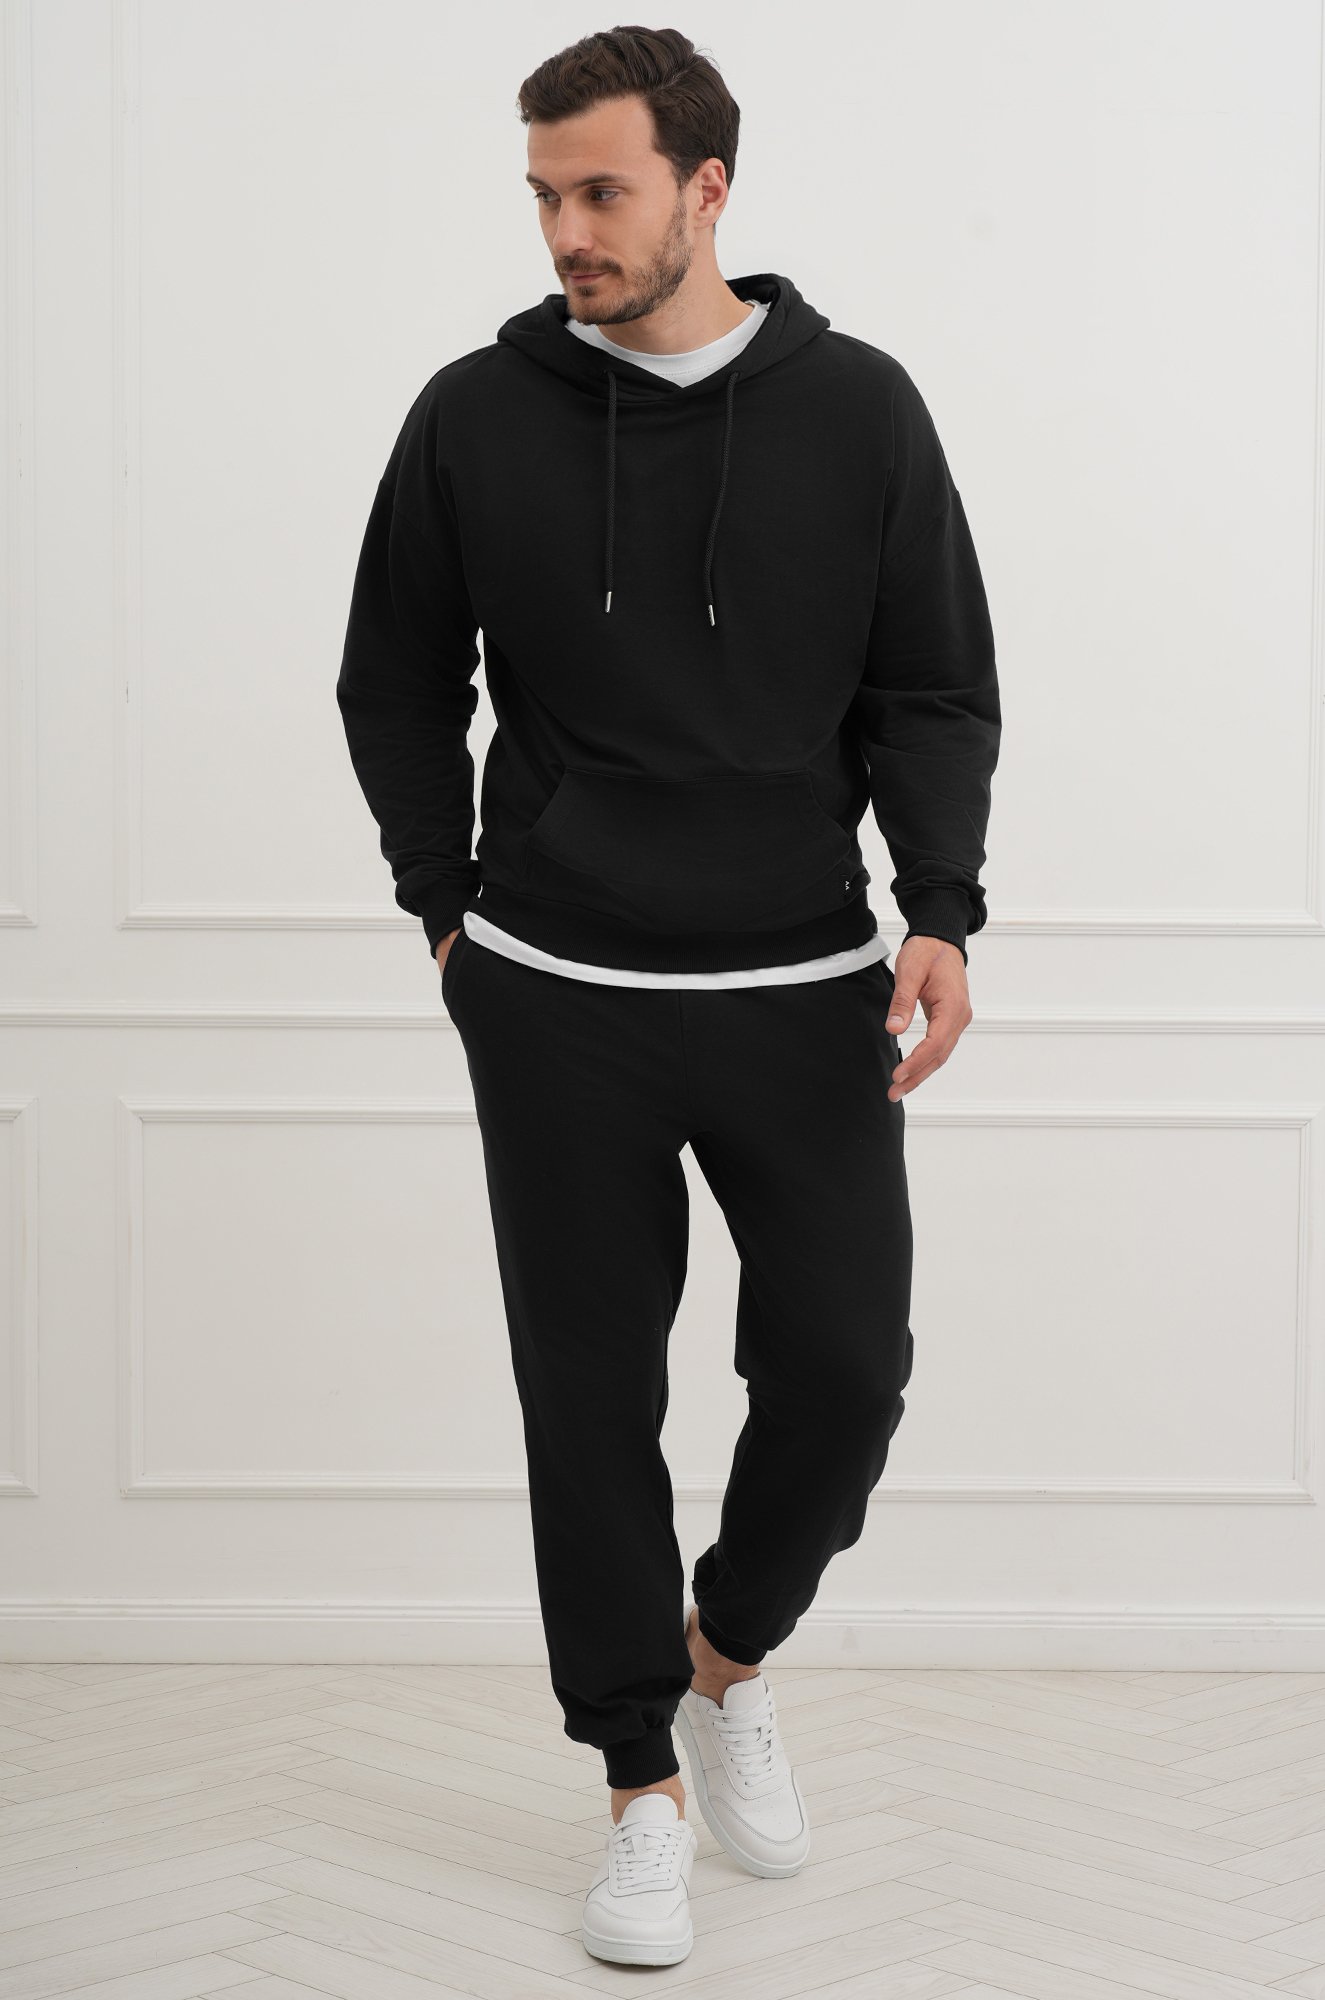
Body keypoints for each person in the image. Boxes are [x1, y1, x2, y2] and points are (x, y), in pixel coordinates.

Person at [336, 24, 1001, 1970]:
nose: (568, 229)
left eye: (602, 190)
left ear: (708, 189)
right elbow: (395, 679)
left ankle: (723, 1662)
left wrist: (941, 906)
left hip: (803, 979)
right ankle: (636, 1782)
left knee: (846, 1369)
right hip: (556, 987)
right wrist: (446, 912)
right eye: (545, 193)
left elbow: (931, 684)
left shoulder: (859, 409)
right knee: (587, 1397)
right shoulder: (475, 414)